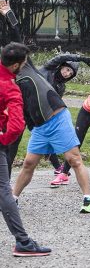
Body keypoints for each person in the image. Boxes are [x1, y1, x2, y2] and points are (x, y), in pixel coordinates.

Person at [0, 0, 90, 213]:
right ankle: (13, 199)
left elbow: (17, 38)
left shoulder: (27, 68)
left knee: (74, 159)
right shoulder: (8, 82)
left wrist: (8, 14)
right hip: (40, 127)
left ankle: (89, 199)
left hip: (57, 118)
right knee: (28, 163)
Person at [0, 41, 51, 256]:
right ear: (16, 66)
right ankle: (23, 242)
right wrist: (4, 141)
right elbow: (17, 125)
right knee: (4, 191)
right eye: (24, 63)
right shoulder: (10, 87)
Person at [38, 52, 90, 174]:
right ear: (61, 66)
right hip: (26, 105)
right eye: (67, 69)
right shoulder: (48, 69)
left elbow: (55, 104)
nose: (67, 74)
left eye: (70, 73)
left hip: (41, 114)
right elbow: (62, 57)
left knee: (48, 136)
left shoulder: (61, 87)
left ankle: (58, 167)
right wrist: (80, 58)